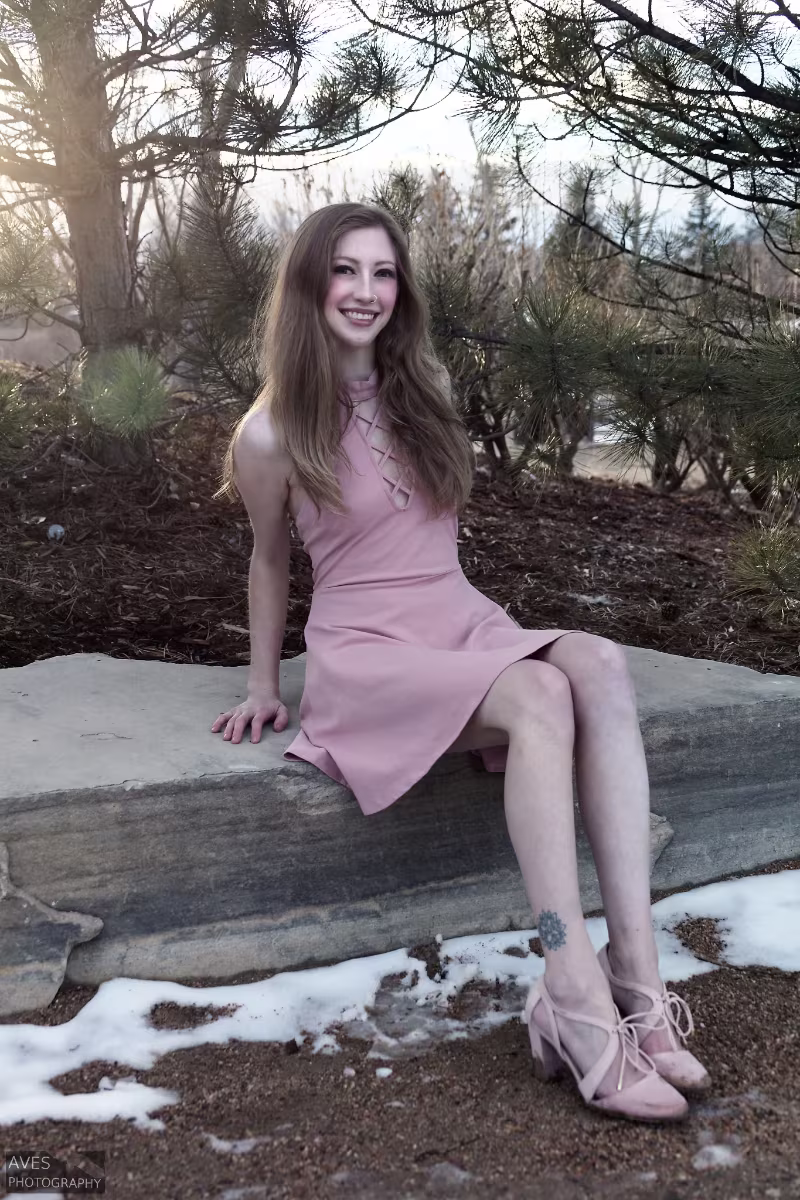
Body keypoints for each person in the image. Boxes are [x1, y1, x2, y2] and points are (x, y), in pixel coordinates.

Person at [210, 201, 709, 1123]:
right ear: (309, 285)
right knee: (539, 693)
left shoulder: (422, 389)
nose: (366, 291)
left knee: (598, 663)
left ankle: (637, 980)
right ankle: (571, 989)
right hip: (367, 652)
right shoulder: (270, 432)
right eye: (345, 270)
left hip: (457, 618)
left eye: (383, 272)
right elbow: (269, 559)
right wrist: (262, 685)